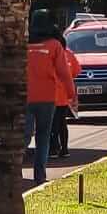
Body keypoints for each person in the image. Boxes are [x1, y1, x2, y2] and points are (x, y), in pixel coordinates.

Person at [26, 16, 74, 183]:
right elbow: (64, 72)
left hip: (25, 97)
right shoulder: (55, 46)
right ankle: (40, 176)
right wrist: (71, 93)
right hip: (47, 98)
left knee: (23, 136)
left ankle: (14, 171)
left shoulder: (23, 44)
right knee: (43, 137)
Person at [50, 33, 81, 158]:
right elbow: (76, 71)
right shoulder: (69, 55)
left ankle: (53, 149)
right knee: (62, 123)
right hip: (65, 96)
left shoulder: (50, 56)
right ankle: (64, 148)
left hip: (52, 96)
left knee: (53, 124)